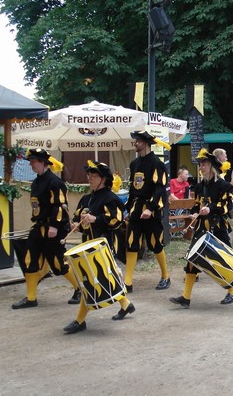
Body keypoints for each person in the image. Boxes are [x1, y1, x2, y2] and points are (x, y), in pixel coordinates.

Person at [62, 161, 136, 333]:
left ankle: (79, 320)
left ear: (103, 179)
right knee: (100, 278)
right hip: (87, 244)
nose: (89, 178)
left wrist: (96, 219)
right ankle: (126, 304)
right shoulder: (86, 198)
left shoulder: (111, 198)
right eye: (89, 175)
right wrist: (75, 224)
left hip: (104, 243)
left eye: (93, 176)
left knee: (88, 280)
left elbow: (116, 220)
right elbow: (77, 219)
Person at [11, 148, 81, 309]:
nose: (31, 164)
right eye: (31, 161)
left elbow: (60, 206)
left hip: (53, 228)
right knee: (29, 259)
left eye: (33, 161)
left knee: (58, 263)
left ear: (43, 162)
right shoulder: (36, 182)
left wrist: (54, 226)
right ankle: (31, 298)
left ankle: (79, 288)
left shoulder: (55, 183)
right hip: (39, 227)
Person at [169, 149, 233, 308]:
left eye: (203, 164)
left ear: (211, 165)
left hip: (217, 226)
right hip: (201, 227)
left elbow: (226, 206)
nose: (201, 167)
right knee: (192, 259)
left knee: (222, 259)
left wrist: (211, 209)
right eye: (199, 164)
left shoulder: (223, 186)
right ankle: (186, 297)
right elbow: (197, 205)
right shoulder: (200, 186)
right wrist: (194, 213)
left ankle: (231, 292)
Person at [123, 130, 172, 292]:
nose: (135, 143)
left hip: (151, 210)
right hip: (136, 210)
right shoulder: (134, 164)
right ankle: (127, 282)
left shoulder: (157, 164)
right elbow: (132, 188)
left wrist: (150, 209)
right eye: (135, 141)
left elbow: (160, 189)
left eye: (137, 141)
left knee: (155, 244)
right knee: (131, 243)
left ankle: (166, 276)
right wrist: (128, 208)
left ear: (145, 143)